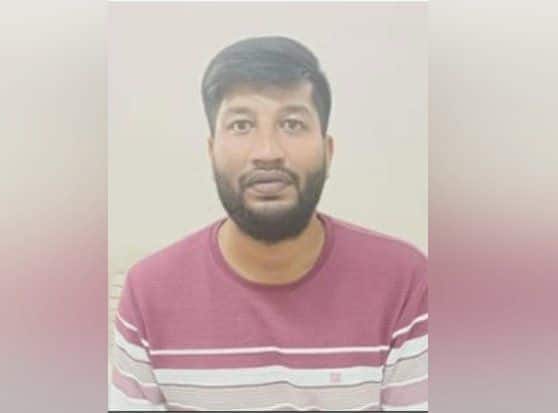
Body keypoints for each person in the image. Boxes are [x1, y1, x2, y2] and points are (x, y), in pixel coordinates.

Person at [110, 36, 428, 411]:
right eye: (241, 125)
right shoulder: (148, 292)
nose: (267, 152)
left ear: (327, 152)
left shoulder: (404, 282)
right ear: (212, 151)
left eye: (292, 124)